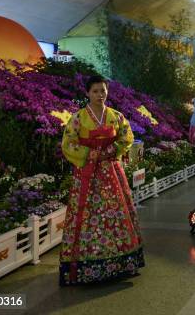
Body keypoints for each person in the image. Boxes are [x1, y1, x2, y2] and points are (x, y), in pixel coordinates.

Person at [60, 75, 145, 285]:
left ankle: (122, 263)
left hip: (111, 172)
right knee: (88, 215)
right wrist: (90, 153)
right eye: (96, 91)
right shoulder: (78, 118)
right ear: (87, 93)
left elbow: (127, 136)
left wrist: (111, 149)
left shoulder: (116, 116)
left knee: (116, 212)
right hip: (87, 175)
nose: (100, 95)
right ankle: (84, 267)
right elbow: (68, 143)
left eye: (103, 90)